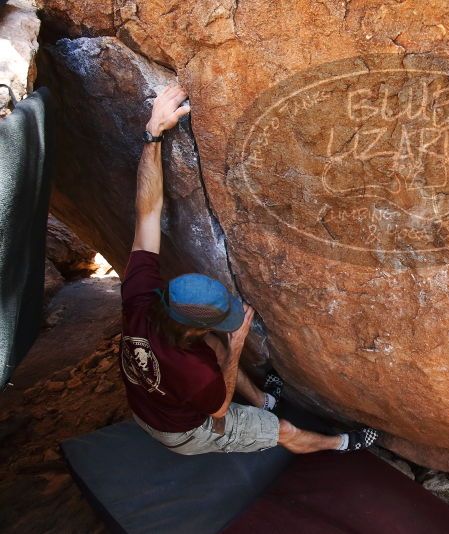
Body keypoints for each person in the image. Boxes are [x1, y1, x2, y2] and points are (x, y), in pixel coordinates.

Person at [120, 83, 378, 455]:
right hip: (184, 430)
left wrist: (153, 133)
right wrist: (235, 346)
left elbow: (146, 213)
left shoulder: (140, 297)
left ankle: (262, 401)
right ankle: (340, 444)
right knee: (283, 429)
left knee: (215, 351)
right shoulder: (195, 371)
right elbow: (220, 407)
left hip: (149, 402)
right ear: (191, 326)